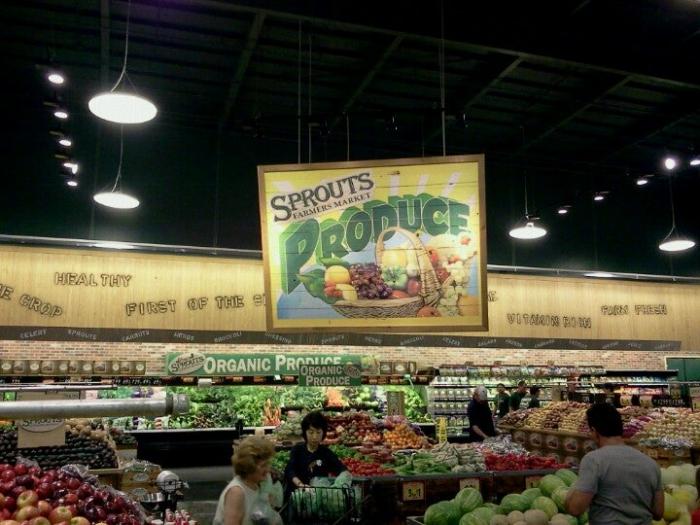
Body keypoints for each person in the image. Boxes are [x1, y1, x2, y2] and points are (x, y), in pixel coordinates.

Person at [565, 403, 664, 524]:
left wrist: (571, 493)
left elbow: (575, 509)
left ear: (594, 431)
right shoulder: (651, 464)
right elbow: (658, 512)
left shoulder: (594, 460)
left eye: (590, 432)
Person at [214, 435, 277, 525]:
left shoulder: (255, 484)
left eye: (268, 464)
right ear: (249, 466)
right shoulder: (237, 492)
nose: (267, 469)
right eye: (263, 465)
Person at [285, 411, 346, 490]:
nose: (315, 437)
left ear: (323, 433)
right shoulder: (297, 450)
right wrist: (300, 485)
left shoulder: (326, 453)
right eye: (311, 432)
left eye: (318, 432)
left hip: (318, 495)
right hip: (298, 493)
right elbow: (289, 470)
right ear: (305, 432)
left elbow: (341, 469)